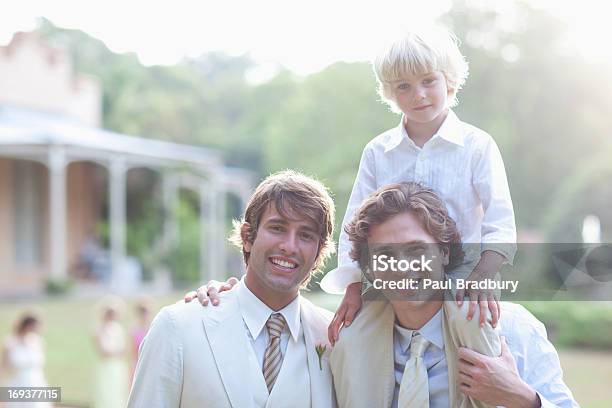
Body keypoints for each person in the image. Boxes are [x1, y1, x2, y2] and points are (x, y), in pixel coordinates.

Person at [321, 24, 517, 338]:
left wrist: (483, 276)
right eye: (404, 86)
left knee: (475, 359)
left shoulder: (477, 146)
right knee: (358, 354)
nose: (419, 94)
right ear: (389, 92)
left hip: (462, 286)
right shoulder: (378, 152)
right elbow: (356, 225)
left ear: (448, 80)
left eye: (428, 81)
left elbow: (501, 221)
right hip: (393, 288)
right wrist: (354, 285)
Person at [330, 182, 577, 407]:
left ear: (445, 252)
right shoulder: (349, 345)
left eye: (416, 249)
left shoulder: (512, 328)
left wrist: (521, 397)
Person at [128, 170, 337, 408]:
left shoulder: (335, 339)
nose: (289, 246)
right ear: (247, 236)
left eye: (305, 235)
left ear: (319, 253)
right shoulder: (178, 327)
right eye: (277, 228)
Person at [1, 312, 51, 408]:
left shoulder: (38, 341)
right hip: (17, 385)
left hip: (37, 384)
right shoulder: (10, 342)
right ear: (27, 325)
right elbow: (3, 369)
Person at [92, 298, 129, 408]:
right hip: (106, 366)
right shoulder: (99, 330)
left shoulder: (119, 329)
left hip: (118, 366)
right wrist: (115, 352)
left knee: (119, 393)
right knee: (105, 393)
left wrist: (115, 352)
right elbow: (103, 352)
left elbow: (124, 349)